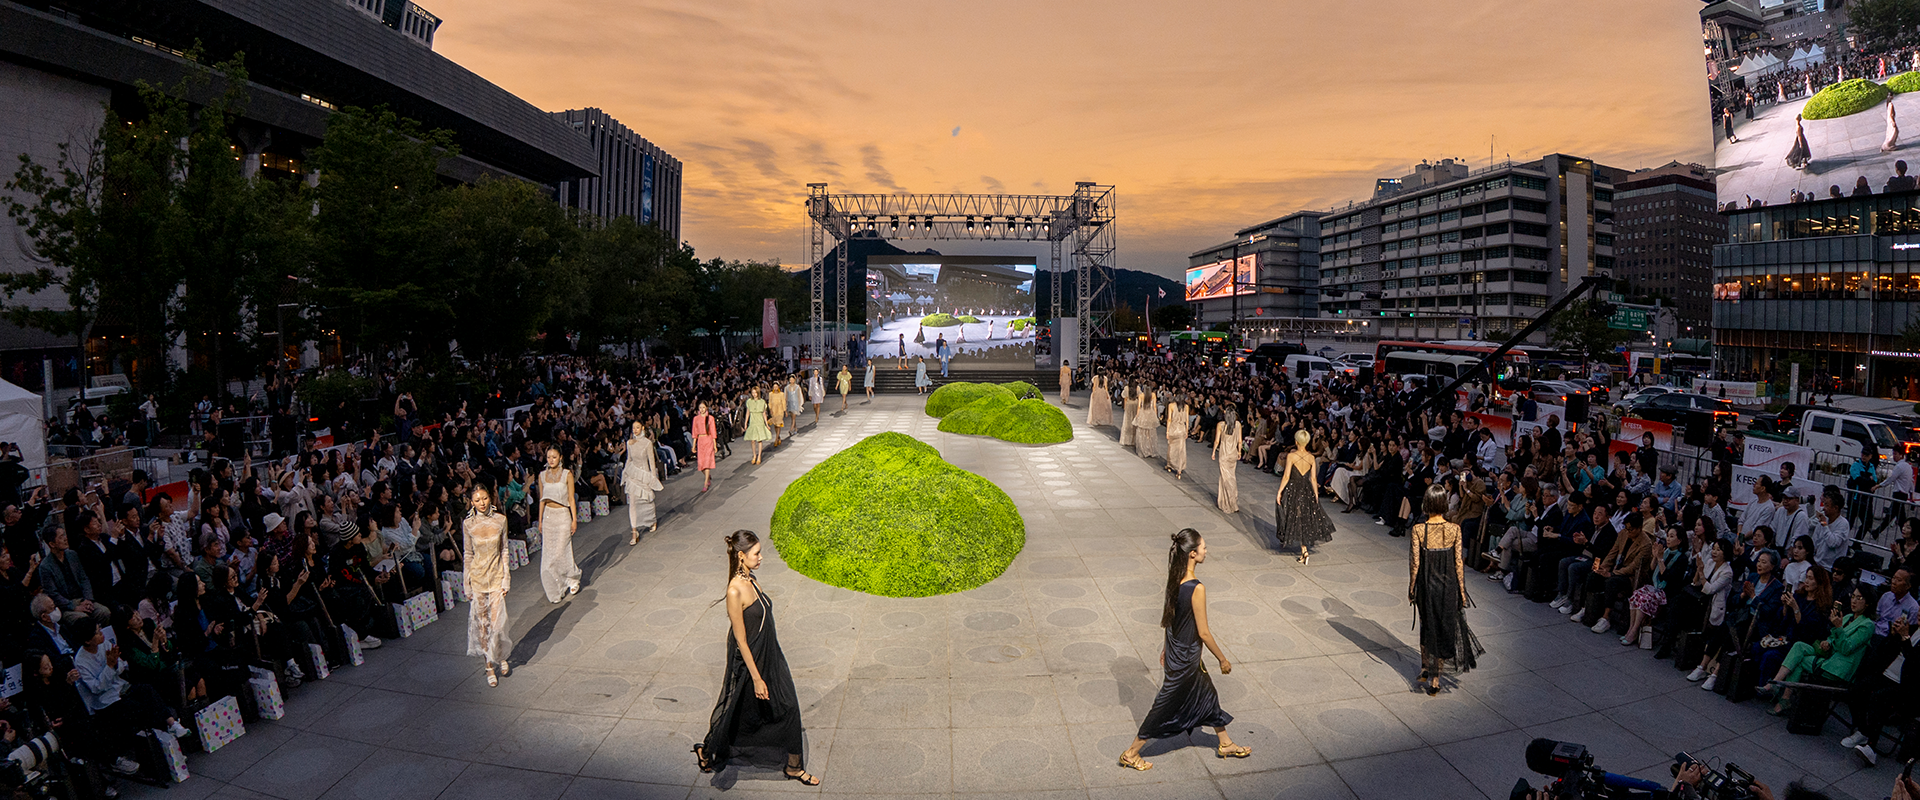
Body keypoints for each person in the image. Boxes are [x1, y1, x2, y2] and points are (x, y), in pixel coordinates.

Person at [1116, 529, 1248, 771]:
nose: (1207, 551)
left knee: (1207, 694)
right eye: (1204, 547)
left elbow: (1170, 621)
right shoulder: (1197, 588)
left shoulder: (1174, 579)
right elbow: (1204, 632)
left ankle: (1226, 743)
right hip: (1186, 659)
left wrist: (1167, 649)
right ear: (1193, 554)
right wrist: (1223, 659)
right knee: (1164, 705)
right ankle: (1131, 753)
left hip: (1180, 653)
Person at [695, 530, 817, 785]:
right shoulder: (735, 591)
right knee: (740, 710)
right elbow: (740, 640)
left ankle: (793, 767)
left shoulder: (751, 578)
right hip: (752, 660)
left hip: (770, 653)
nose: (761, 557)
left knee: (780, 707)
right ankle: (707, 753)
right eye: (756, 553)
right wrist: (757, 678)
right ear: (741, 555)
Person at [1409, 485, 1484, 694]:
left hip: (1426, 585)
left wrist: (1411, 587)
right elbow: (1459, 563)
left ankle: (1425, 666)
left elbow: (1415, 563)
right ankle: (1436, 680)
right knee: (1443, 630)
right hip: (1448, 586)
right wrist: (1462, 590)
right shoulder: (1455, 529)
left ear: (1427, 503)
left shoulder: (1418, 530)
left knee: (1426, 626)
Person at [463, 484, 512, 686]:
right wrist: (466, 583)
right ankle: (488, 665)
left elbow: (504, 550)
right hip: (477, 579)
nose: (481, 503)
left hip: (496, 576)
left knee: (497, 623)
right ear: (472, 502)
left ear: (490, 498)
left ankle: (499, 654)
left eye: (484, 498)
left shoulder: (501, 520)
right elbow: (468, 554)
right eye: (477, 500)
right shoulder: (468, 524)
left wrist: (506, 578)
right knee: (482, 625)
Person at [1276, 430, 1337, 564]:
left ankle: (1303, 550)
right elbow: (1313, 478)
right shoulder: (1311, 458)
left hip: (1293, 489)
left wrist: (1280, 491)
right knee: (1303, 517)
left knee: (1295, 516)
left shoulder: (1292, 456)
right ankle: (1304, 550)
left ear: (1296, 441)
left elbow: (1286, 476)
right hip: (1306, 489)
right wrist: (1315, 494)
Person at [536, 447, 582, 604]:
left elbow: (571, 498)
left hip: (563, 515)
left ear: (560, 457)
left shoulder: (567, 474)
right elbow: (541, 499)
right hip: (548, 516)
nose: (551, 460)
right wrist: (540, 521)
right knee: (549, 555)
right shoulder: (542, 476)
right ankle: (557, 586)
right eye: (548, 457)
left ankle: (572, 578)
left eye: (554, 457)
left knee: (561, 552)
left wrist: (574, 520)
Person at [624, 422, 664, 544]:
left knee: (647, 499)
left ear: (642, 428)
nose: (635, 430)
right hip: (633, 474)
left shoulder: (647, 443)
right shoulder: (629, 443)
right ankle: (634, 531)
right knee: (632, 503)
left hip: (644, 474)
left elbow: (651, 461)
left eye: (637, 427)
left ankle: (652, 520)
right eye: (633, 428)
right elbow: (629, 459)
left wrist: (653, 478)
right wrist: (625, 473)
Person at [1213, 410, 1243, 515]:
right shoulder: (1238, 425)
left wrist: (1213, 451)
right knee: (1231, 476)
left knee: (1225, 478)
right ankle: (1228, 500)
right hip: (1233, 453)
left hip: (1224, 453)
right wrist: (1239, 452)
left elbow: (1217, 441)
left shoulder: (1221, 425)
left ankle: (1230, 502)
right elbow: (1240, 440)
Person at [692, 401, 718, 492]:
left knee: (707, 463)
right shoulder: (696, 419)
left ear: (706, 408)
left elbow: (713, 431)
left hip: (708, 440)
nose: (702, 409)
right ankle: (707, 476)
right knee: (701, 463)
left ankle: (705, 483)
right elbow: (694, 432)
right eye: (700, 408)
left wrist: (715, 445)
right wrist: (693, 445)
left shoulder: (710, 418)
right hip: (700, 441)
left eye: (703, 407)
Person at [1164, 394, 1190, 480]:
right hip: (1181, 429)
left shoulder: (1171, 405)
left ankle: (1170, 465)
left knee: (1171, 448)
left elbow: (1169, 419)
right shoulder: (1186, 407)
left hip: (1173, 428)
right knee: (1181, 450)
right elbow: (1187, 420)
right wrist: (1187, 431)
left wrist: (1167, 431)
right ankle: (1179, 469)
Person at [744, 386, 771, 465]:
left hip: (760, 421)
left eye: (755, 393)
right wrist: (745, 423)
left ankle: (759, 456)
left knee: (759, 439)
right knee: (752, 440)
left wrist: (766, 424)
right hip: (752, 421)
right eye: (752, 393)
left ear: (758, 393)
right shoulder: (749, 401)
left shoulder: (762, 402)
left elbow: (764, 413)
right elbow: (747, 413)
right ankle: (754, 455)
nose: (754, 394)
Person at [1134, 385, 1160, 461]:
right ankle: (1151, 450)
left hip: (1143, 413)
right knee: (1150, 433)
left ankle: (1143, 449)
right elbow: (1154, 406)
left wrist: (1137, 416)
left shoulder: (1141, 395)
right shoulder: (1153, 395)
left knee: (1142, 432)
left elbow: (1139, 407)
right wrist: (1155, 416)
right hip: (1150, 413)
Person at [767, 378, 788, 445]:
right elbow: (770, 402)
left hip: (780, 410)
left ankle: (776, 439)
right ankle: (778, 437)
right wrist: (770, 409)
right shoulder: (771, 394)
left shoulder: (781, 394)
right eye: (774, 387)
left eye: (776, 386)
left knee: (778, 424)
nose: (775, 388)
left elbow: (783, 402)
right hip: (774, 410)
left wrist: (785, 410)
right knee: (775, 425)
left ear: (778, 387)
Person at [1119, 380, 1139, 448]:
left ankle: (1127, 440)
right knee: (1134, 420)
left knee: (1128, 421)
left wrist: (1125, 407)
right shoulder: (1137, 387)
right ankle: (1134, 440)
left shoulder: (1126, 388)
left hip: (1129, 403)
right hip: (1135, 404)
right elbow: (1140, 395)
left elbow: (1124, 397)